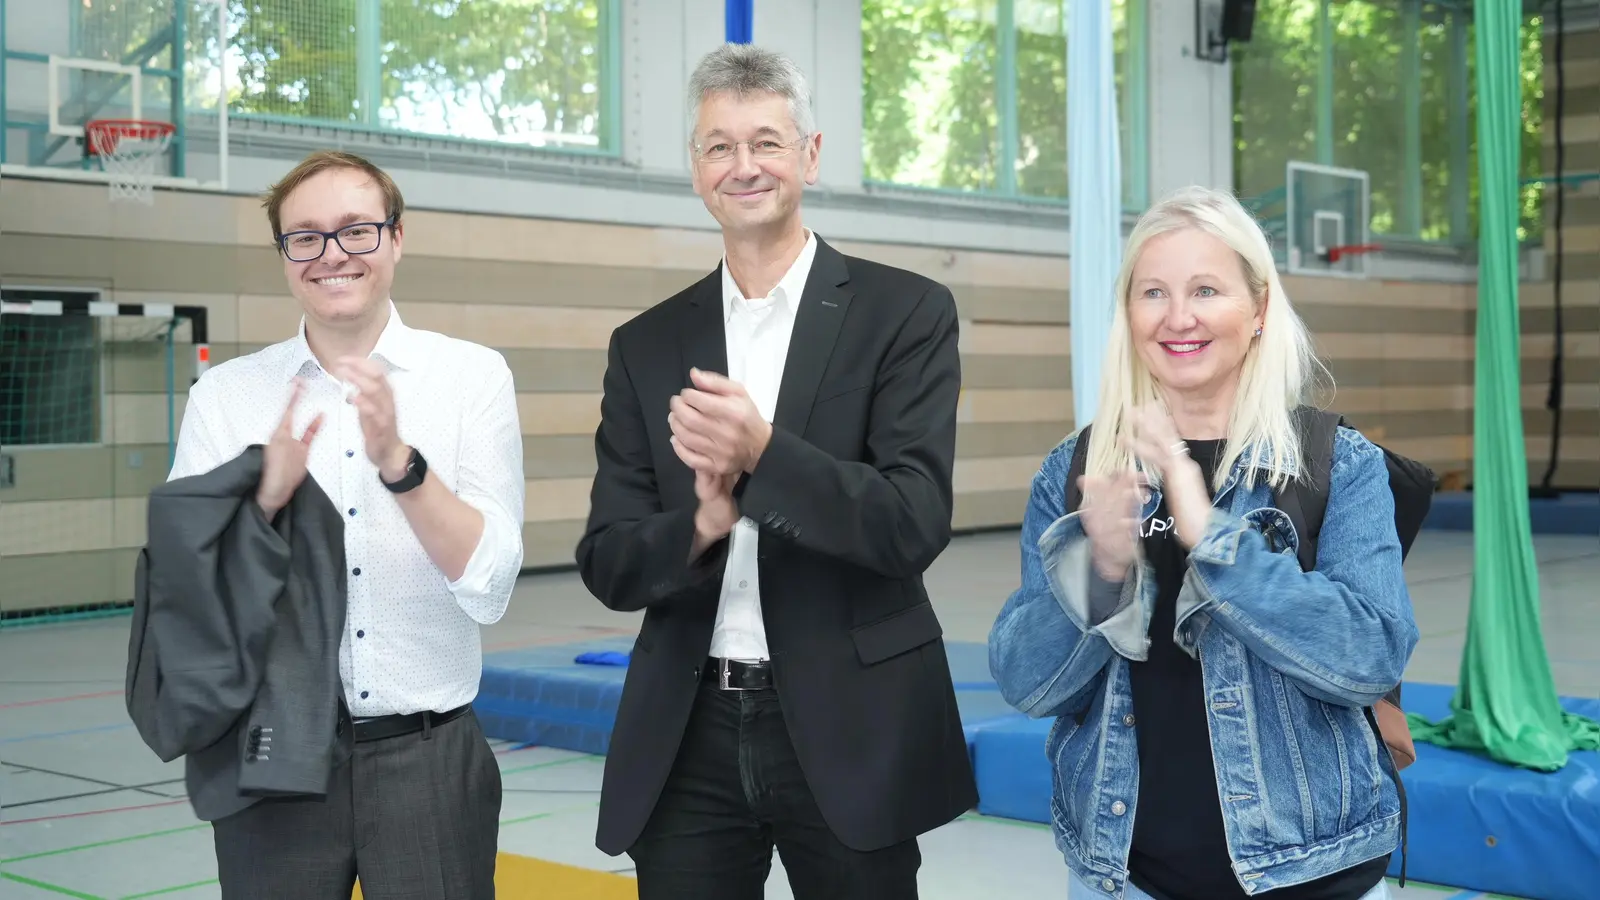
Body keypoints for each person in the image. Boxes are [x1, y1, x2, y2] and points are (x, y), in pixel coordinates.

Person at [575, 43, 977, 899]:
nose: (743, 165)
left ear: (811, 155)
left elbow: (912, 522)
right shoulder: (645, 345)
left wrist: (763, 458)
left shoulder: (904, 312)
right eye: (719, 145)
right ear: (695, 167)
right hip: (689, 734)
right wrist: (704, 524)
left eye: (766, 141)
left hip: (849, 723)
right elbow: (610, 562)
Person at [987, 185, 1419, 900]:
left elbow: (1370, 657)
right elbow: (1028, 683)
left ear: (1257, 310)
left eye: (1206, 290)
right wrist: (1101, 569)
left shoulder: (1335, 463)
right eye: (1153, 291)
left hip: (1309, 874)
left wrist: (1209, 532)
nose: (1178, 316)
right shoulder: (1079, 468)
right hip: (1123, 876)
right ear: (1128, 314)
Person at [167, 149, 524, 900]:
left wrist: (400, 463)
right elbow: (187, 602)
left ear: (396, 239)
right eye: (306, 236)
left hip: (429, 756)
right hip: (272, 757)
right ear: (284, 255)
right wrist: (261, 509)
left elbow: (489, 586)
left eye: (357, 230)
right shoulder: (226, 397)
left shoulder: (471, 377)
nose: (332, 254)